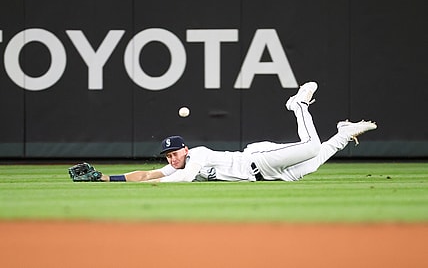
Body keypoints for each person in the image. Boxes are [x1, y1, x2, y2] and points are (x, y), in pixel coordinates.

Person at [94, 81, 377, 183]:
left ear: (186, 150)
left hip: (259, 160)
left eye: (174, 152)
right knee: (314, 162)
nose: (170, 158)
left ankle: (298, 104)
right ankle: (343, 134)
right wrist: (105, 178)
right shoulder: (176, 167)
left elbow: (185, 178)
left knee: (311, 147)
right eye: (167, 155)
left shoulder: (198, 156)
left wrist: (153, 184)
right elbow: (145, 174)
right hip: (270, 175)